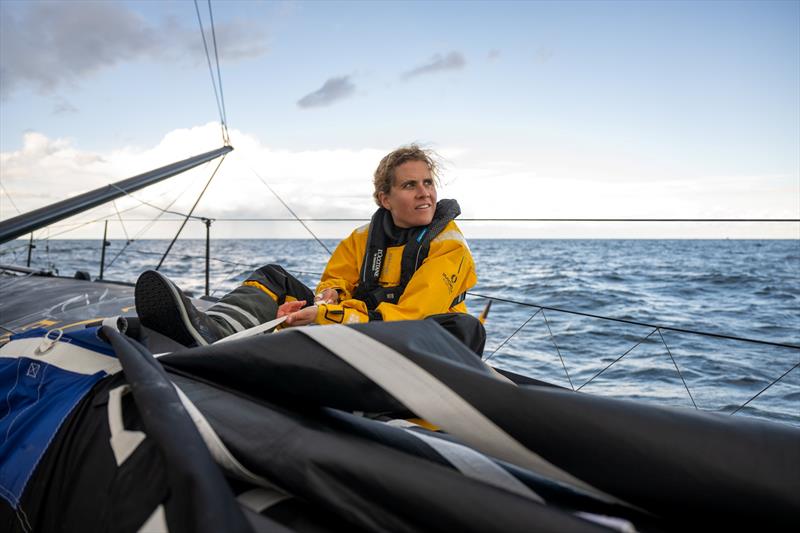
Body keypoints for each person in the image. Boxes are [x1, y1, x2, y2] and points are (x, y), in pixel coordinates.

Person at [134, 144, 483, 351]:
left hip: (412, 342)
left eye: (427, 183)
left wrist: (327, 316)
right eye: (410, 185)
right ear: (385, 199)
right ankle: (212, 332)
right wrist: (326, 298)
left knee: (467, 329)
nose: (425, 193)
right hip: (360, 329)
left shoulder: (449, 247)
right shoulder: (362, 239)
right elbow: (335, 282)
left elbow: (412, 318)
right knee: (274, 278)